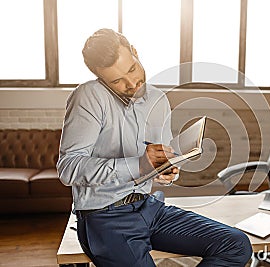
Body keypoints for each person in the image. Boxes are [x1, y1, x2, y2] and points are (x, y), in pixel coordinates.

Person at [57, 28, 252, 267]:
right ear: (100, 78)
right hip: (105, 217)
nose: (131, 83)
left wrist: (166, 170)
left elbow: (157, 160)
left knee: (235, 244)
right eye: (117, 81)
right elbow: (69, 169)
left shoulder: (158, 100)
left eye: (132, 69)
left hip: (149, 208)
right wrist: (137, 165)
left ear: (135, 53)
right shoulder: (89, 96)